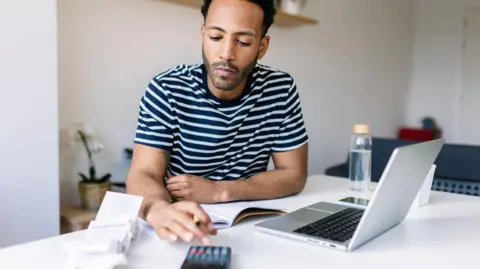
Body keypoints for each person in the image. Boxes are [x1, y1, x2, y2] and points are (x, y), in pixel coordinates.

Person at [126, 0, 309, 246]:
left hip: (250, 225)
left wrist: (220, 190)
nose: (226, 54)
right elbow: (143, 173)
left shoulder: (280, 89)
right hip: (182, 227)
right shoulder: (167, 89)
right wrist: (157, 209)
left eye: (243, 42)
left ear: (262, 47)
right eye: (215, 37)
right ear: (203, 35)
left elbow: (294, 175)